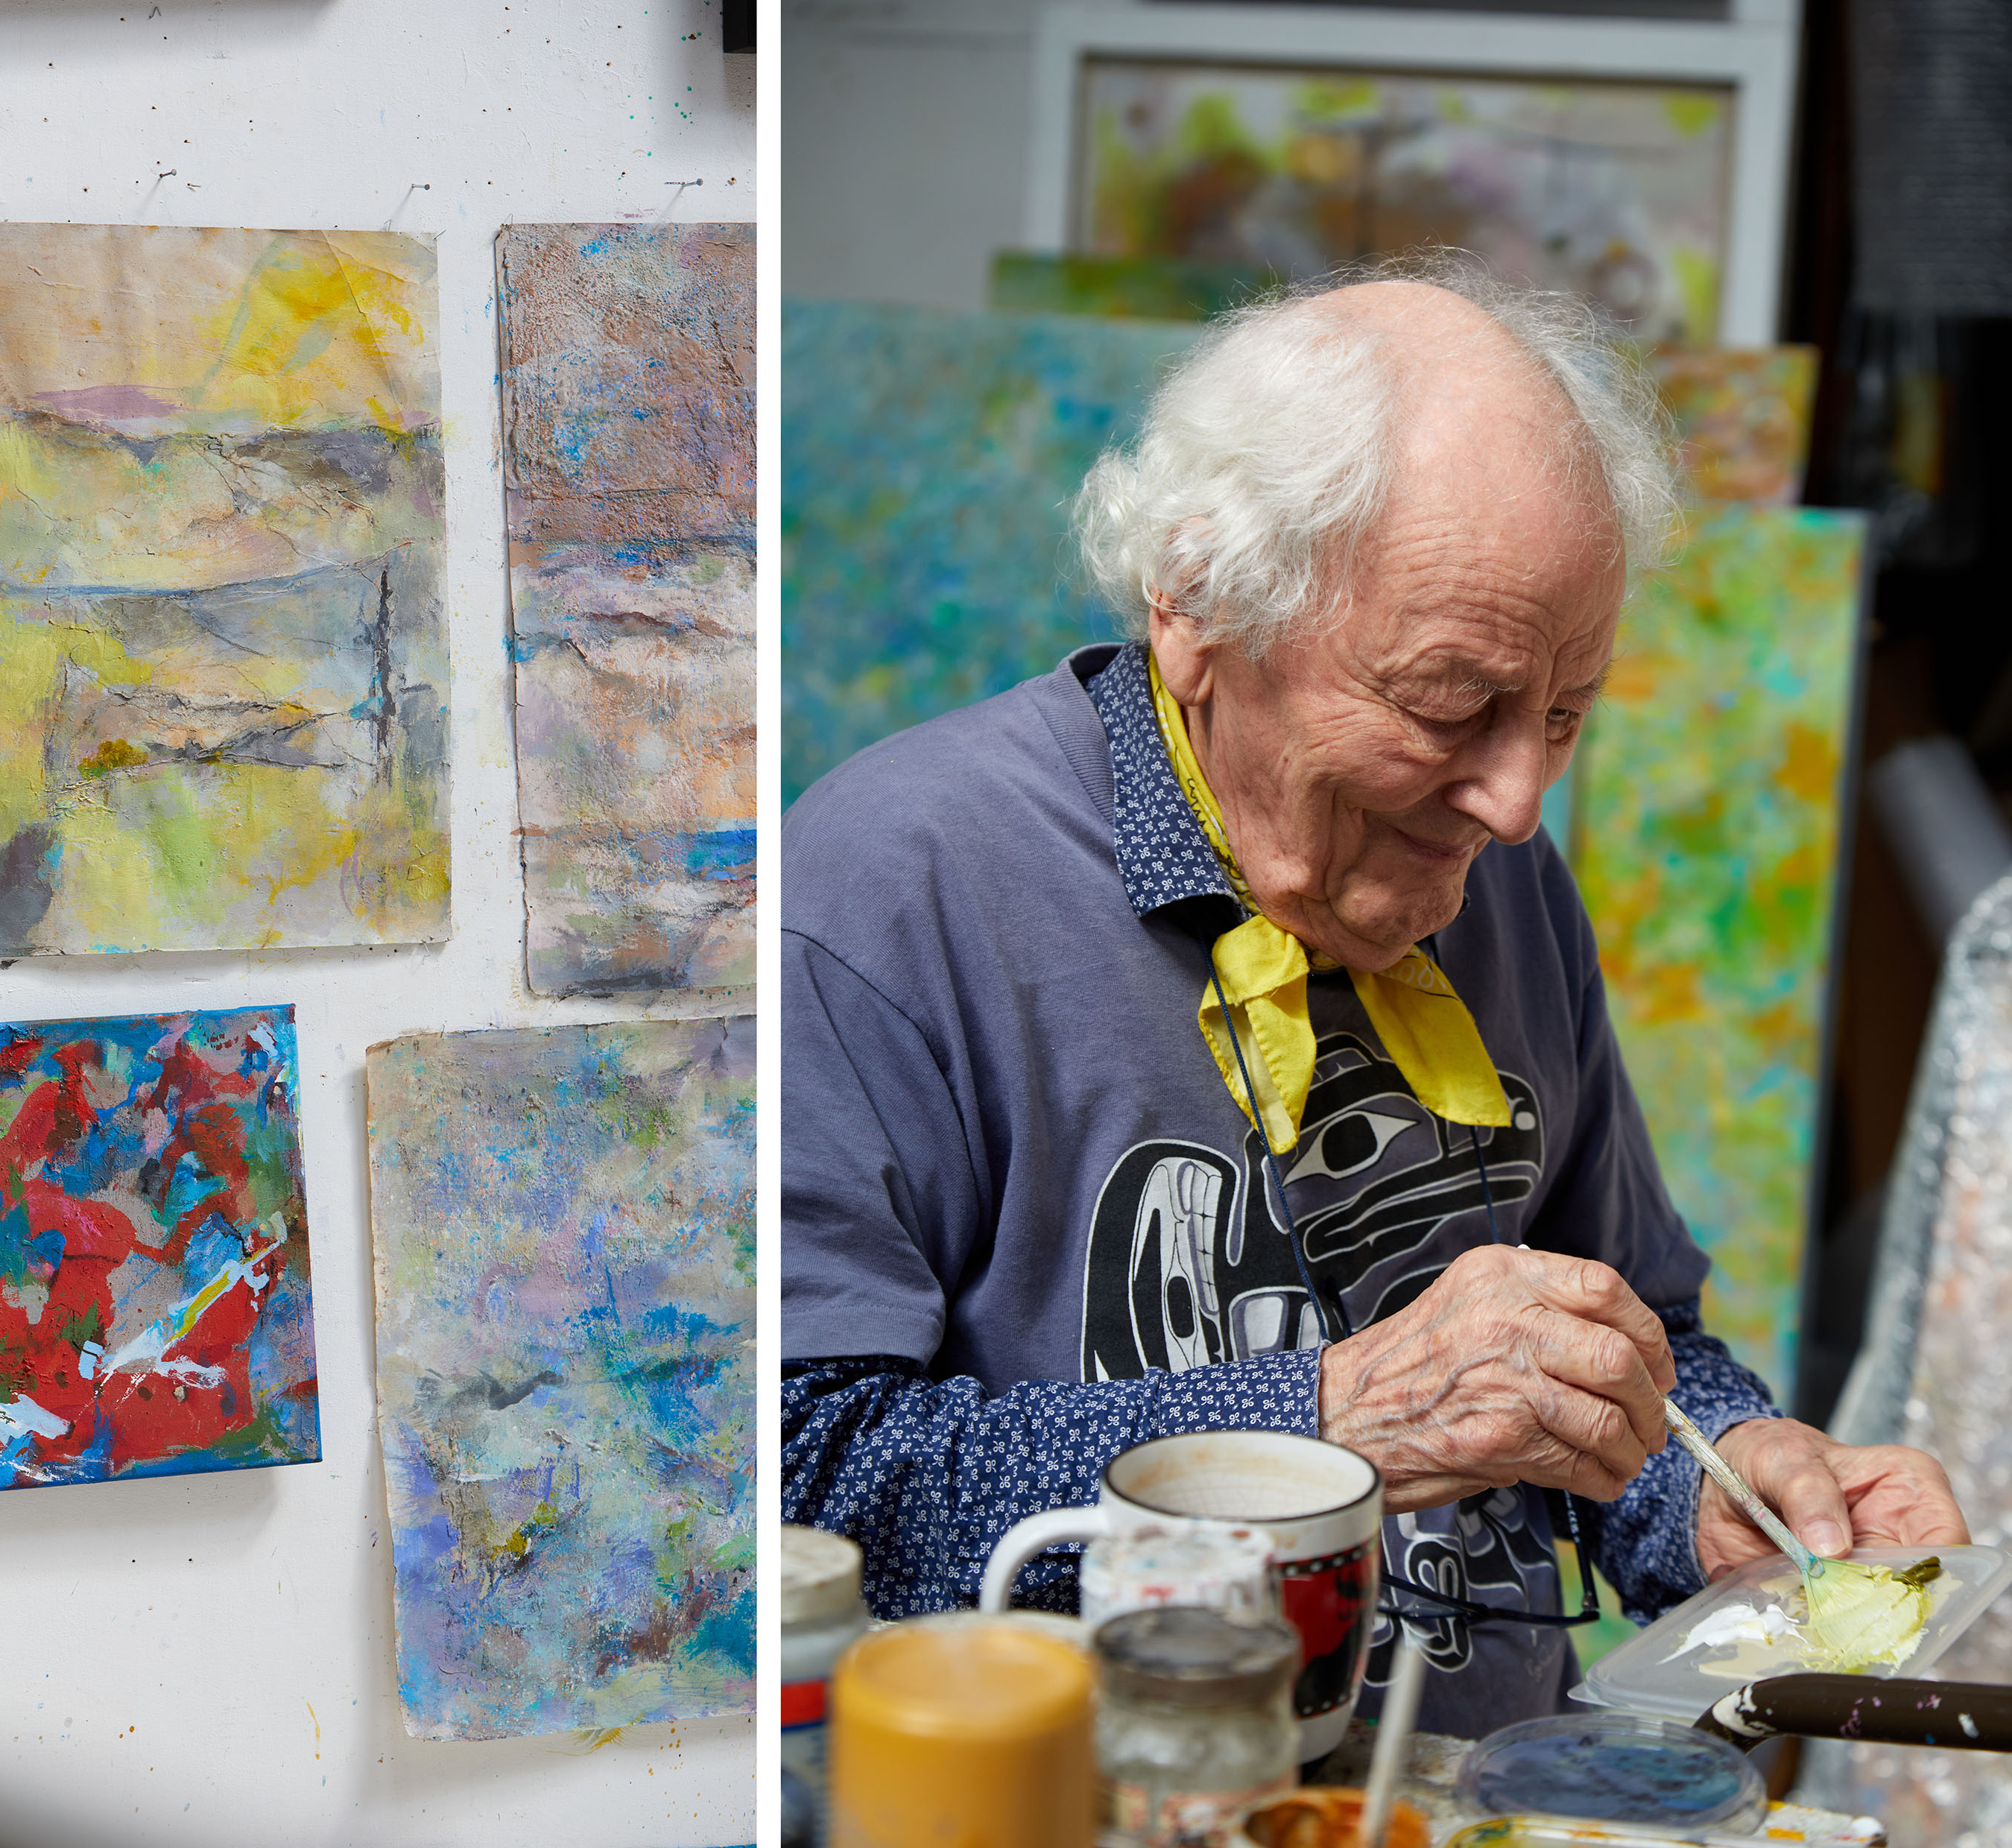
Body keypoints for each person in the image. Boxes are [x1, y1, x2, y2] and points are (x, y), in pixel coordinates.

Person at [779, 260, 1969, 1735]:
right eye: (1449, 703)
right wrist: (1322, 1425)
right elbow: (799, 1484)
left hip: (1476, 1797)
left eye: (1563, 715)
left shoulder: (1496, 876)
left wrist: (1731, 1487)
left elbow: (1630, 1339)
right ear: (1196, 603)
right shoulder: (893, 887)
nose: (1519, 802)